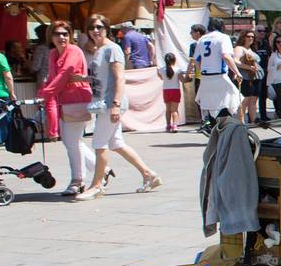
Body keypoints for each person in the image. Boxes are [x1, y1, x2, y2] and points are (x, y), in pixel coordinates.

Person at [74, 15, 160, 201]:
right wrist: (85, 79)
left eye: (99, 27)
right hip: (104, 103)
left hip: (109, 103)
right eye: (91, 27)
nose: (95, 30)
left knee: (99, 143)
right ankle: (148, 174)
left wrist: (115, 105)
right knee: (116, 143)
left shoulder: (112, 49)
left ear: (107, 28)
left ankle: (96, 185)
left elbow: (120, 78)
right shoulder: (101, 50)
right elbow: (104, 77)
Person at [39, 21, 94, 196]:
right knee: (72, 141)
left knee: (72, 143)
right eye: (57, 34)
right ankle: (102, 169)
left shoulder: (74, 51)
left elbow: (65, 73)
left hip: (77, 99)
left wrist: (47, 91)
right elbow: (52, 76)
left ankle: (78, 180)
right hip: (63, 102)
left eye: (65, 33)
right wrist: (45, 91)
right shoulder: (53, 53)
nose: (62, 37)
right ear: (51, 36)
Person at [192, 17, 242, 119]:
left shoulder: (202, 39)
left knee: (211, 106)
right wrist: (237, 72)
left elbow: (196, 59)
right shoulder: (223, 37)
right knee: (232, 101)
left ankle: (212, 126)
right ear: (222, 26)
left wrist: (202, 72)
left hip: (205, 77)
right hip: (219, 76)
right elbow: (226, 56)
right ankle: (225, 127)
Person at [233, 30, 262, 125]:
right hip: (245, 77)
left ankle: (253, 121)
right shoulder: (239, 48)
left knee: (253, 101)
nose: (251, 38)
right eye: (248, 36)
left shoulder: (252, 49)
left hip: (256, 77)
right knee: (244, 101)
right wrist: (249, 67)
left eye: (253, 37)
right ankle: (241, 122)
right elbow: (236, 61)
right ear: (243, 37)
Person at [161, 53, 185, 133]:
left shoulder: (161, 70)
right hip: (175, 90)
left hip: (166, 90)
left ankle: (168, 125)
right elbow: (183, 80)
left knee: (168, 109)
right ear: (174, 60)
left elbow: (161, 78)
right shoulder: (178, 70)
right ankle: (175, 125)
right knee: (174, 110)